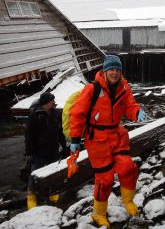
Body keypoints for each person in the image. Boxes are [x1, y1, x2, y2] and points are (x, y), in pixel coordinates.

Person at [69, 55, 146, 228]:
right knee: (105, 179)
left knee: (128, 168)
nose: (115, 73)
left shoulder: (124, 87)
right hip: (97, 139)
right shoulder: (92, 89)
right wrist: (74, 139)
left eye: (118, 70)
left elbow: (130, 105)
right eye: (111, 69)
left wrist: (136, 112)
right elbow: (77, 113)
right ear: (104, 71)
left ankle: (128, 200)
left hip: (117, 135)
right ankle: (98, 213)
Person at [24, 92, 68, 210]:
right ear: (45, 103)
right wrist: (29, 152)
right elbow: (29, 135)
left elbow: (60, 132)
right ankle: (31, 195)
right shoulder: (34, 116)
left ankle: (52, 193)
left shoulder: (56, 114)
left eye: (53, 100)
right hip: (38, 151)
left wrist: (64, 146)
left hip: (53, 149)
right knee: (35, 173)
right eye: (51, 101)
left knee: (53, 171)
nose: (54, 102)